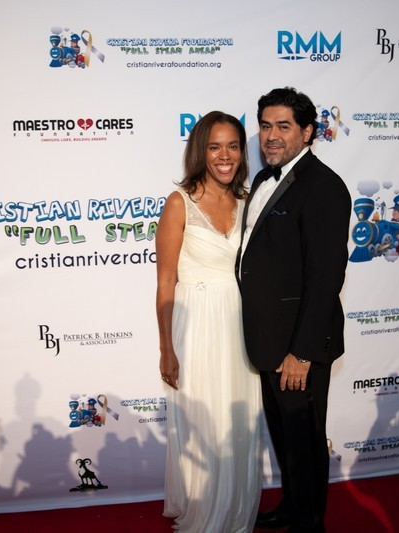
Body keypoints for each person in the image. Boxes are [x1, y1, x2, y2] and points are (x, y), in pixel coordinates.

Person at [238, 87, 351, 532]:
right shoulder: (264, 180)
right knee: (286, 438)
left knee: (304, 441)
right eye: (266, 126)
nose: (271, 135)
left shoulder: (323, 187)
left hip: (297, 346)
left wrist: (301, 353)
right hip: (269, 339)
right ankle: (292, 505)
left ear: (307, 132)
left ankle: (309, 522)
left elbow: (325, 277)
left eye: (283, 126)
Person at [155, 111, 262, 532]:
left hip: (238, 325)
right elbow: (166, 281)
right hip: (197, 327)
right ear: (200, 150)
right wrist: (166, 348)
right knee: (205, 423)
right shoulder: (178, 202)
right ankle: (204, 512)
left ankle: (234, 509)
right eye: (215, 147)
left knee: (237, 421)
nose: (225, 155)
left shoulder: (248, 202)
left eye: (233, 146)